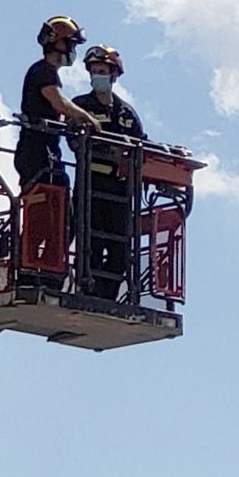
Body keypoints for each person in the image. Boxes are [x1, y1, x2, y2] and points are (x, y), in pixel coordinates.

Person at [71, 45, 145, 299]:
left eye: (102, 71)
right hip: (91, 188)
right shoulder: (81, 106)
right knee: (91, 244)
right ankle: (88, 292)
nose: (97, 76)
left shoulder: (127, 113)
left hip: (121, 190)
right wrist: (108, 149)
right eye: (94, 71)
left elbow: (141, 145)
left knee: (120, 248)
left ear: (114, 76)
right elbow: (74, 141)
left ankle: (108, 296)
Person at [13, 15, 99, 191]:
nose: (73, 50)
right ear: (58, 43)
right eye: (71, 44)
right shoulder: (44, 71)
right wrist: (88, 118)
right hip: (36, 151)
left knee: (59, 191)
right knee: (52, 193)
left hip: (44, 151)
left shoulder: (46, 71)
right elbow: (59, 103)